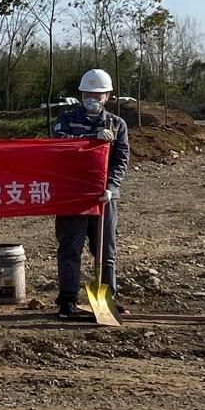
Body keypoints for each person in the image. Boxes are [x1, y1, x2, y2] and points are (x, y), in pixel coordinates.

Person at [53, 68, 131, 320]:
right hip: (72, 196)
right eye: (88, 94)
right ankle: (67, 299)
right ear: (81, 94)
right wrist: (91, 140)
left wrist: (111, 186)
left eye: (98, 94)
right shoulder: (65, 120)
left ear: (107, 96)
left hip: (103, 197)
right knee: (70, 248)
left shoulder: (117, 124)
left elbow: (121, 159)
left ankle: (107, 299)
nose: (92, 98)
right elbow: (60, 147)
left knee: (105, 251)